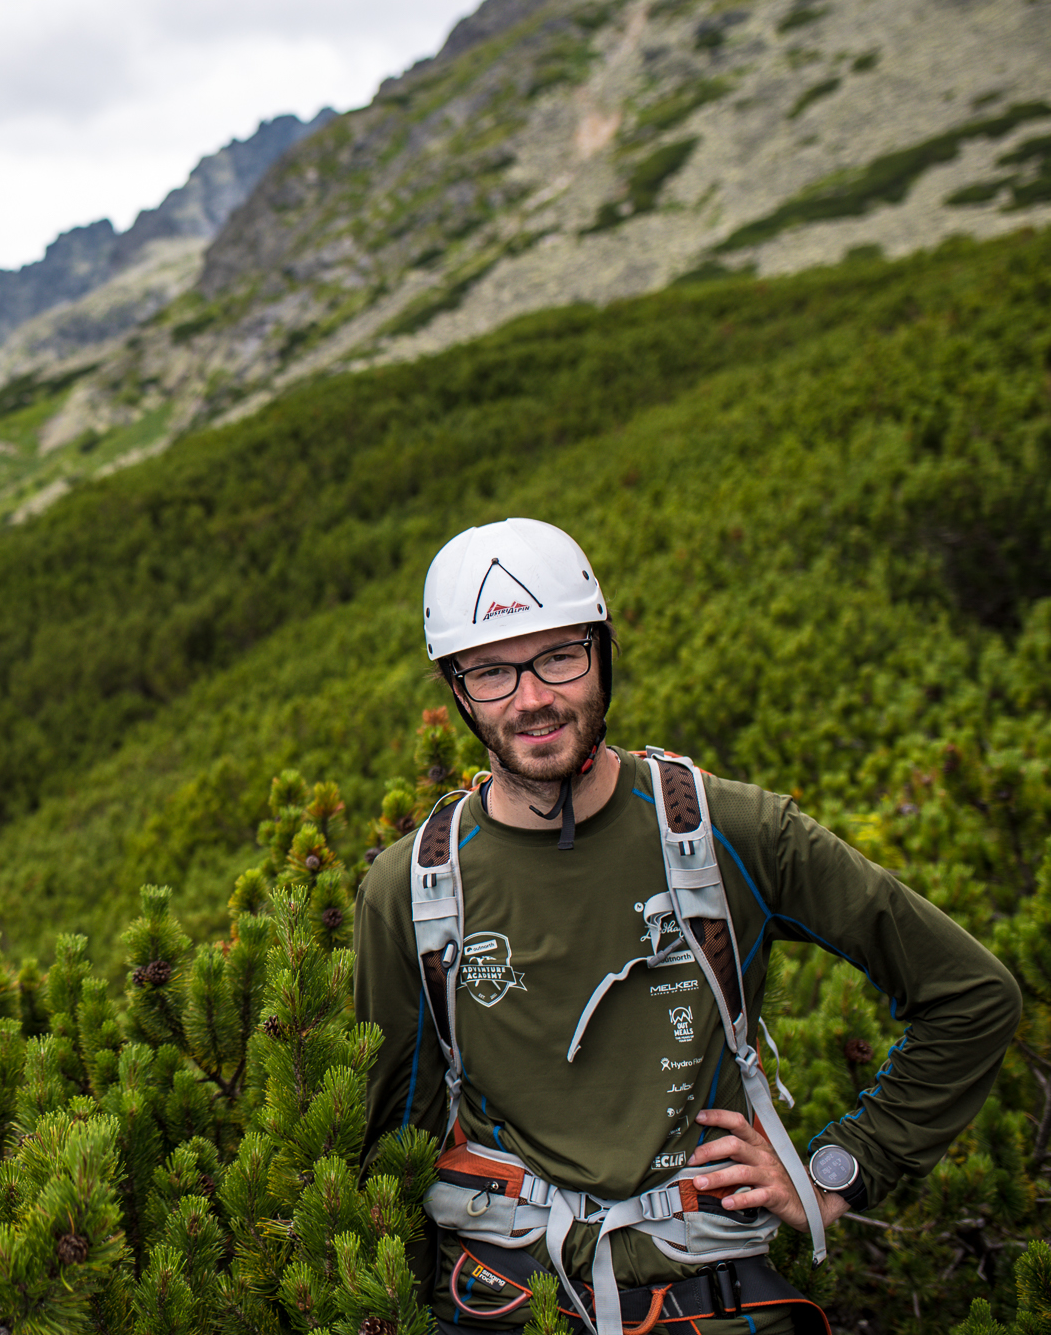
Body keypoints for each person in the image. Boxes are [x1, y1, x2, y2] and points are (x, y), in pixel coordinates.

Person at [354, 518, 1021, 1335]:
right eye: (492, 671)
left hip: (712, 1303)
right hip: (502, 1305)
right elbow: (392, 1143)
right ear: (457, 690)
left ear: (603, 652)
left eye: (559, 656)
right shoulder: (414, 888)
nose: (531, 698)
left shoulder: (730, 833)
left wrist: (839, 1172)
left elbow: (970, 995)